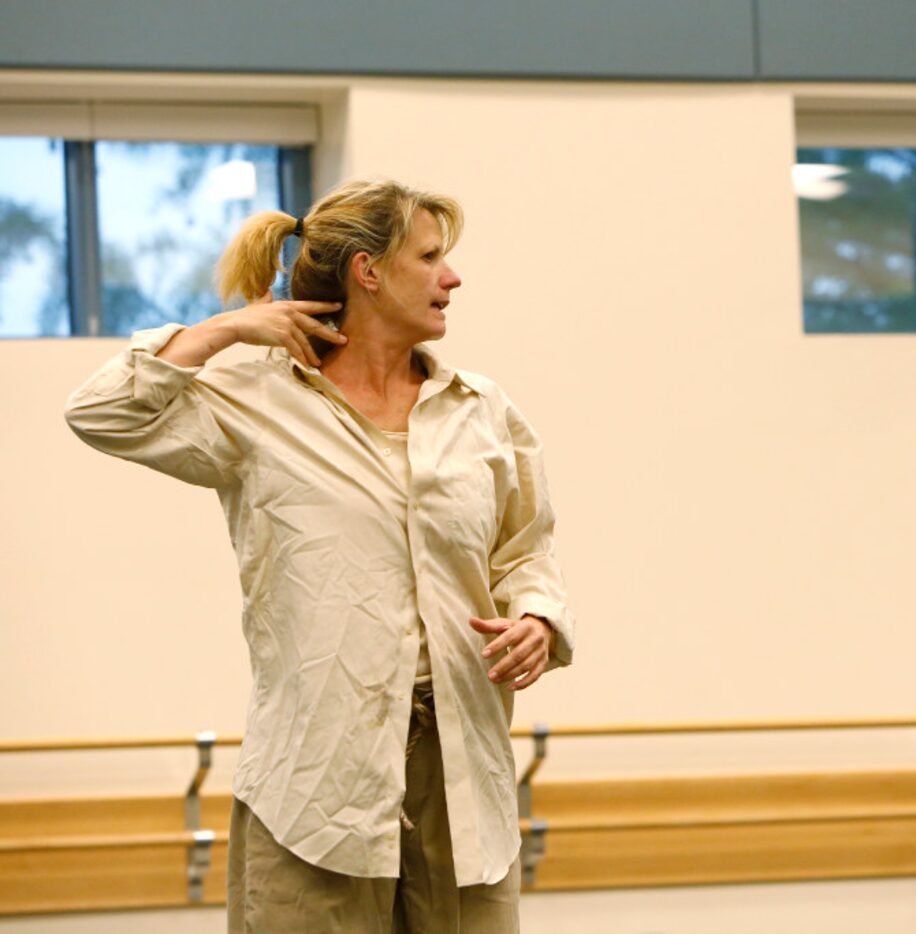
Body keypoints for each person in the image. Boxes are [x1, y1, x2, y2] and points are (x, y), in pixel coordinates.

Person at [65, 178, 574, 933]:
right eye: (432, 256)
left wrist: (537, 615)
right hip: (315, 789)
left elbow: (526, 550)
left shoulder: (483, 410)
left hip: (465, 779)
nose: (453, 277)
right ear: (367, 271)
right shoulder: (256, 401)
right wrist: (225, 331)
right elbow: (100, 412)